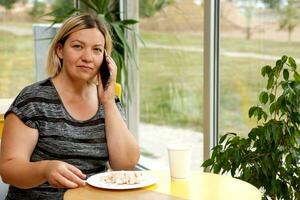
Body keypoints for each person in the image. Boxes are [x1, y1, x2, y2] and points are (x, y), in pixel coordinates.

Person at [0, 14, 140, 200]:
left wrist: (108, 102)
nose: (88, 57)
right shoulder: (33, 100)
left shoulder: (107, 100)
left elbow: (125, 164)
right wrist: (45, 169)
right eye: (77, 46)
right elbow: (9, 169)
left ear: (105, 59)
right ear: (60, 50)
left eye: (97, 50)